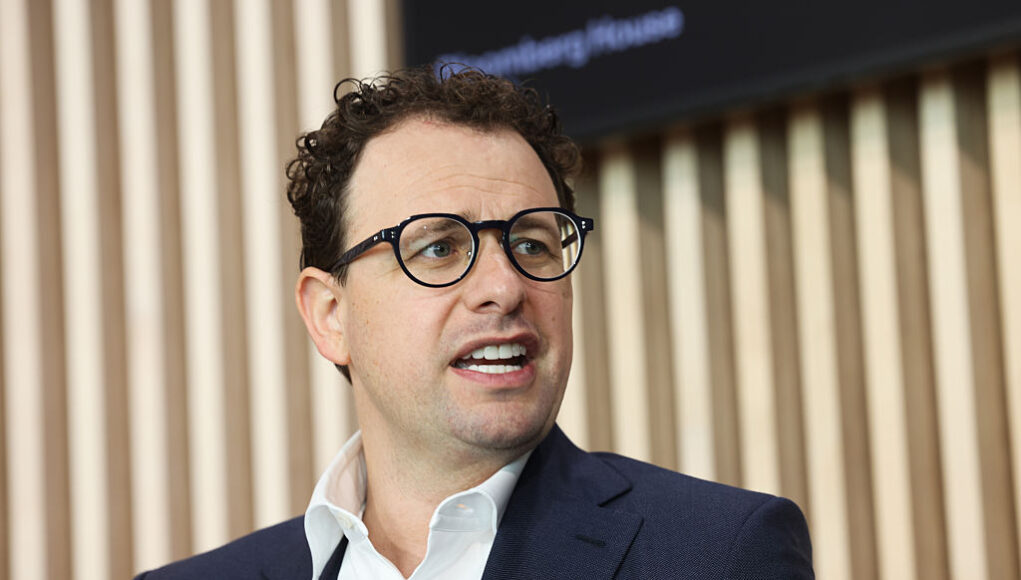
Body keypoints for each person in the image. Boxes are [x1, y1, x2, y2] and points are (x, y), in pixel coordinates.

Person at [135, 66, 813, 579]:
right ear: (330, 315)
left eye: (533, 244)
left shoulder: (720, 554)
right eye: (438, 247)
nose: (504, 288)